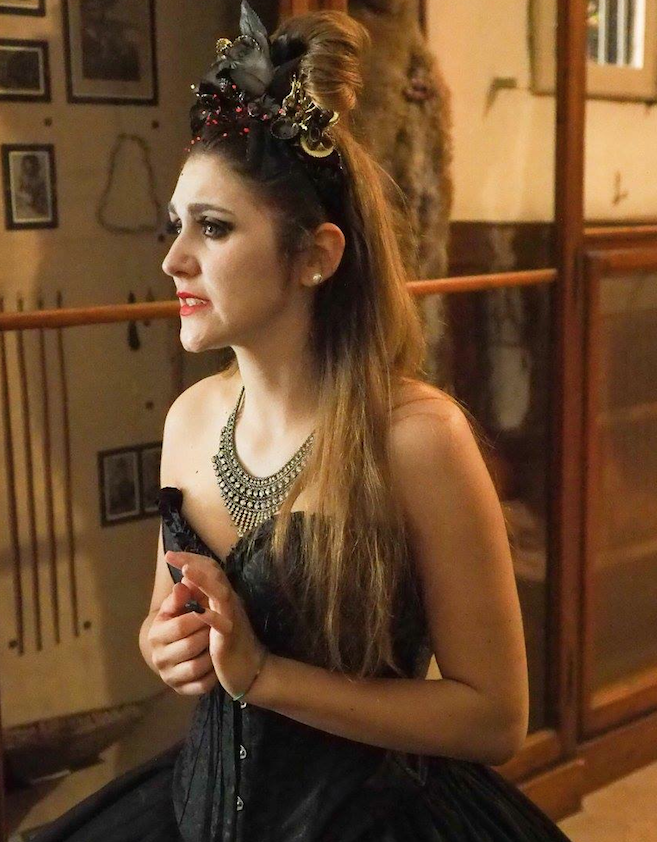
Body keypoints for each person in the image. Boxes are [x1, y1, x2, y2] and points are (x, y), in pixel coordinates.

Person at [33, 2, 574, 840]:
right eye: (174, 226)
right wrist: (165, 646)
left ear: (315, 255)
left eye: (213, 228)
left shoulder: (418, 438)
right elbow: (164, 621)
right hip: (199, 808)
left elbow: (494, 718)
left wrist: (265, 676)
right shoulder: (188, 419)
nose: (173, 259)